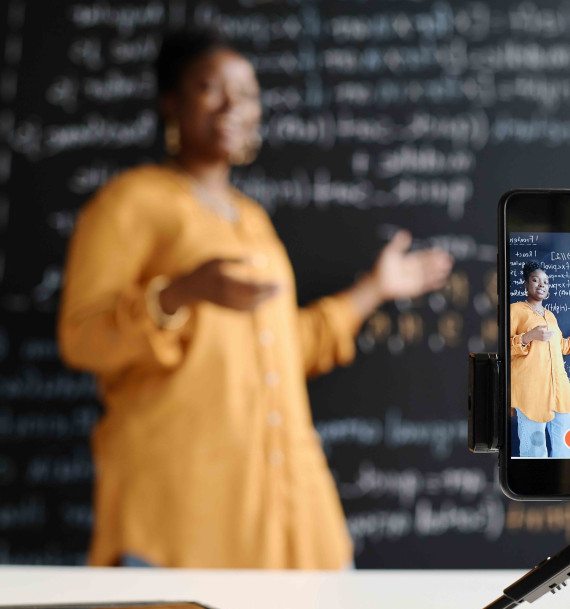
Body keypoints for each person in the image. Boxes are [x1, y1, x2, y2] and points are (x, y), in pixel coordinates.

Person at [58, 28, 453, 569]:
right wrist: (180, 292)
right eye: (210, 88)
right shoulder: (130, 203)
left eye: (246, 94)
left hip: (291, 515)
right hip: (182, 522)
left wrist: (376, 290)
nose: (232, 106)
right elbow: (82, 339)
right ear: (171, 102)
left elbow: (284, 352)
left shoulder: (253, 220)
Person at [511, 261, 570, 458]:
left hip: (560, 391)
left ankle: (562, 485)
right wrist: (528, 336)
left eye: (546, 281)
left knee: (565, 447)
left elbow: (561, 346)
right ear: (526, 284)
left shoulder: (551, 316)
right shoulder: (516, 310)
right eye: (535, 280)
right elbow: (504, 348)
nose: (541, 284)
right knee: (534, 449)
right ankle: (535, 485)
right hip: (531, 393)